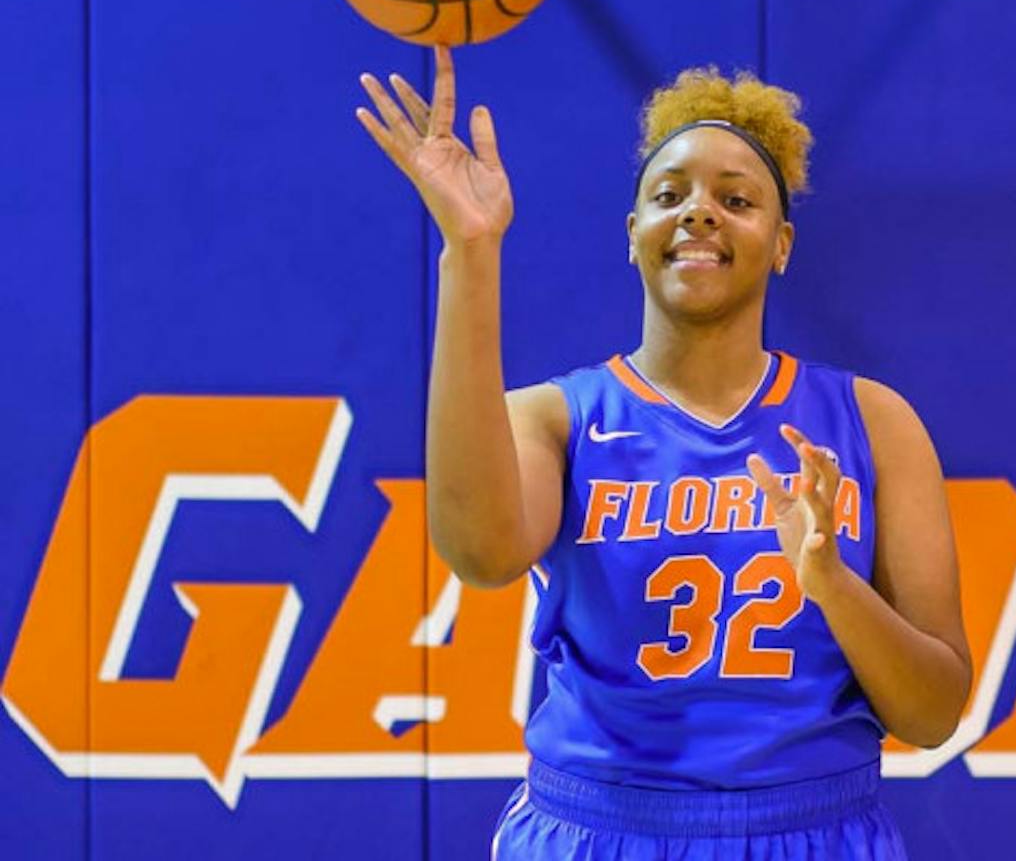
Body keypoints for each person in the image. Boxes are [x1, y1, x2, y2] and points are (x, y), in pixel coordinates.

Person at [355, 47, 970, 859]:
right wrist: (471, 251)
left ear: (781, 243)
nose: (699, 212)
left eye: (737, 198)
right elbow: (479, 552)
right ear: (633, 234)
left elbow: (932, 715)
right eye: (669, 194)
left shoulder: (873, 422)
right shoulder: (558, 418)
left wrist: (832, 585)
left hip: (814, 830)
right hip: (600, 828)